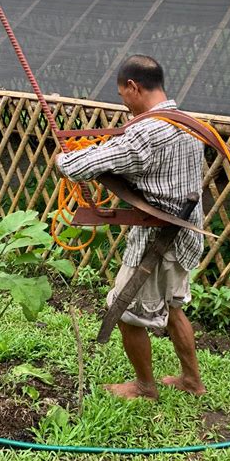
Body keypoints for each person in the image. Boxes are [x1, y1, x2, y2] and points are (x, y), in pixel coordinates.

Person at [56, 55, 206, 399]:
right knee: (173, 309)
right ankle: (192, 381)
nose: (123, 103)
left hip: (157, 240)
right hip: (185, 234)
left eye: (123, 94)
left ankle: (144, 386)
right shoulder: (187, 122)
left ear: (134, 87)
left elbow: (78, 167)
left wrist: (62, 160)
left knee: (125, 313)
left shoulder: (145, 133)